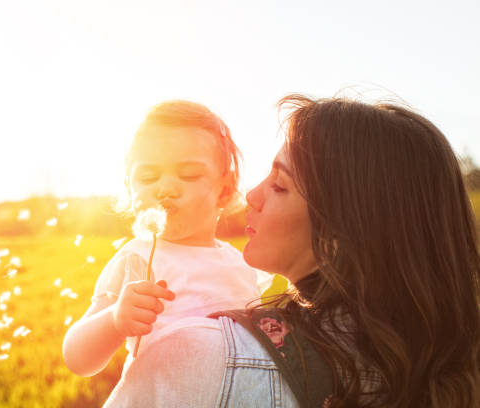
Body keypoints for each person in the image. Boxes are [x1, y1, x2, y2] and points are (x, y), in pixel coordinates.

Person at [95, 94, 480, 407]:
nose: (252, 195)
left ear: (341, 230)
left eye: (279, 185)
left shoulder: (195, 354)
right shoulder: (437, 362)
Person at [61, 101, 271, 401]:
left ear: (224, 190)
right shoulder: (139, 258)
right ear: (129, 188)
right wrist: (115, 320)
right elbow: (77, 358)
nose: (166, 188)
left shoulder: (240, 264)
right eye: (148, 178)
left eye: (188, 175)